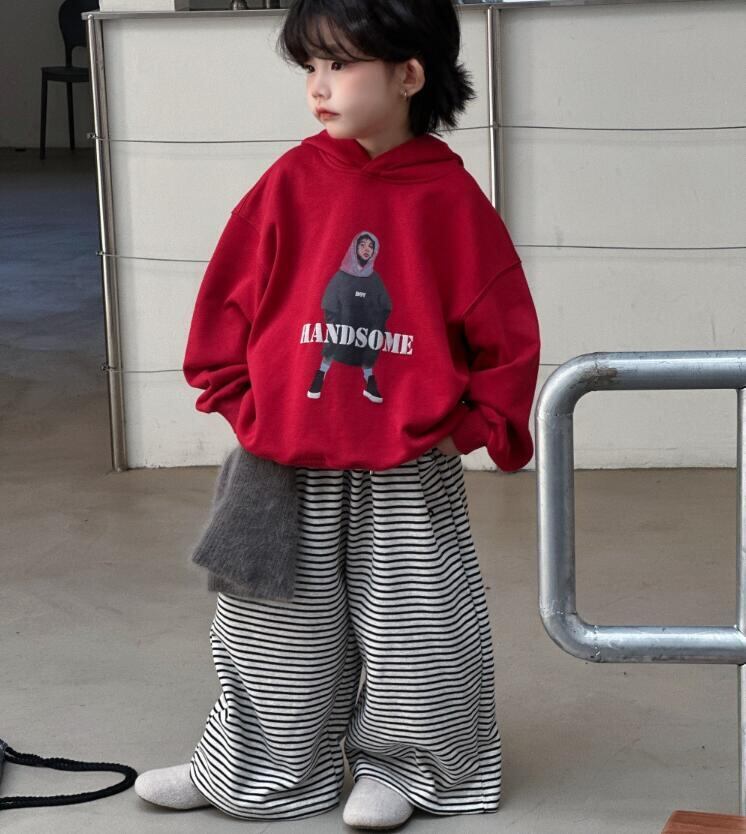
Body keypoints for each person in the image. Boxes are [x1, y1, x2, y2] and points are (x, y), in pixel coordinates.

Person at [134, 0, 541, 828]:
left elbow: (505, 329)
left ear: (409, 74)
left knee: (416, 629)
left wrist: (469, 428)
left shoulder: (450, 200)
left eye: (340, 65)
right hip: (282, 460)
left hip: (406, 465)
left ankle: (406, 770)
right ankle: (257, 765)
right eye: (309, 67)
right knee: (268, 627)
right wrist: (244, 401)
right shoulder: (289, 182)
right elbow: (227, 300)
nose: (318, 87)